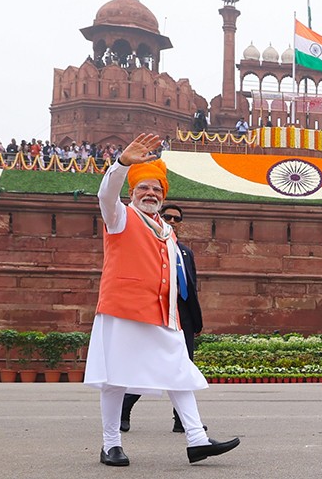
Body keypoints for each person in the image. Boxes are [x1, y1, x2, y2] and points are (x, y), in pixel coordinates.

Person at [84, 133, 239, 467]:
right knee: (115, 379)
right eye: (143, 188)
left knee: (180, 371)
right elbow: (106, 194)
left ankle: (196, 439)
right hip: (122, 309)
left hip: (161, 315)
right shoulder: (120, 217)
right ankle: (111, 444)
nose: (150, 194)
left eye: (156, 189)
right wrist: (123, 164)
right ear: (132, 193)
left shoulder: (167, 233)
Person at [120, 202, 204, 434]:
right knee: (148, 365)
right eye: (168, 216)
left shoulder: (185, 252)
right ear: (159, 217)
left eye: (177, 218)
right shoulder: (150, 247)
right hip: (157, 312)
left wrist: (195, 322)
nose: (173, 221)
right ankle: (123, 410)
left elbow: (191, 287)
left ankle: (182, 421)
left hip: (182, 316)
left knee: (184, 368)